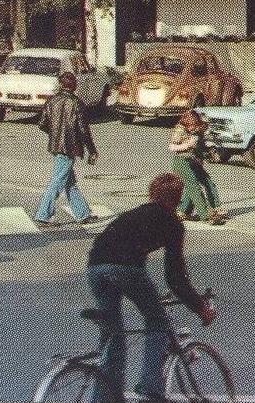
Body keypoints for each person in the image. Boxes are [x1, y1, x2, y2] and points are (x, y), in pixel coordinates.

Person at [87, 173, 217, 403]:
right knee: (158, 323)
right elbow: (175, 277)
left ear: (151, 193)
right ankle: (150, 387)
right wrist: (200, 306)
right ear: (178, 199)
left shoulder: (133, 213)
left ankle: (105, 398)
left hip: (95, 268)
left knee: (113, 336)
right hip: (126, 269)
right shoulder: (172, 224)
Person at [34, 72, 99, 227]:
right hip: (69, 147)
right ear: (74, 85)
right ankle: (43, 215)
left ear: (60, 84)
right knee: (57, 181)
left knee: (69, 181)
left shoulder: (51, 101)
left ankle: (83, 214)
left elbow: (42, 124)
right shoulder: (77, 103)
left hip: (57, 146)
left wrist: (55, 134)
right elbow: (83, 130)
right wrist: (92, 150)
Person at [169, 111, 225, 224]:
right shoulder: (180, 130)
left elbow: (200, 146)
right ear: (188, 123)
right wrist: (187, 145)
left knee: (203, 183)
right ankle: (206, 215)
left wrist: (209, 153)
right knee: (194, 187)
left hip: (193, 161)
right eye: (193, 126)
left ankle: (183, 211)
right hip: (182, 162)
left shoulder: (197, 130)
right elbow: (172, 147)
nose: (195, 128)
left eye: (196, 125)